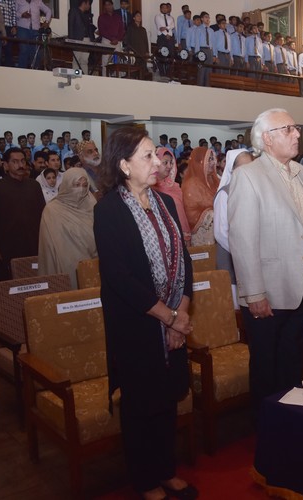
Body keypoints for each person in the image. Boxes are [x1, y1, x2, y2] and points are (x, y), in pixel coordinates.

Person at [93, 127, 196, 500]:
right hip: (136, 325)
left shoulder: (165, 202)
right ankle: (145, 480)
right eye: (148, 156)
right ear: (124, 165)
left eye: (157, 155)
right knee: (141, 406)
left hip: (172, 323)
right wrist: (168, 317)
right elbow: (119, 277)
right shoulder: (109, 210)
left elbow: (184, 263)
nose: (158, 163)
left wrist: (180, 315)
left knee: (167, 401)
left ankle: (166, 470)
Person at [228, 108, 303, 407]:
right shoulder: (248, 176)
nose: (297, 134)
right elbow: (243, 240)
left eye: (295, 128)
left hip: (299, 287)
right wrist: (254, 293)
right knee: (266, 368)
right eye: (288, 129)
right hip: (267, 293)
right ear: (267, 139)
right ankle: (265, 425)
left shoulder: (301, 173)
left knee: (292, 363)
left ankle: (290, 420)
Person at [0, 147, 45, 280]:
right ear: (6, 165)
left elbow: (43, 215)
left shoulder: (34, 185)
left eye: (23, 161)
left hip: (33, 244)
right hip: (7, 247)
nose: (20, 165)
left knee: (34, 281)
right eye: (15, 161)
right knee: (9, 285)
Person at [37, 167, 96, 288]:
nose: (81, 189)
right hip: (63, 268)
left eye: (85, 185)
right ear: (66, 185)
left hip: (92, 266)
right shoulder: (52, 210)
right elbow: (48, 249)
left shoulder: (92, 204)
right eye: (76, 185)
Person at [213, 148, 254, 307]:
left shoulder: (255, 189)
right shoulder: (225, 194)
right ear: (232, 169)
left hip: (253, 257)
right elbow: (220, 232)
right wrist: (242, 252)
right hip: (231, 256)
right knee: (236, 307)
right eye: (243, 167)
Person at [153, 147, 191, 244]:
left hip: (180, 236)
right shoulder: (149, 189)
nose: (169, 166)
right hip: (160, 238)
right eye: (165, 163)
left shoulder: (175, 187)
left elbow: (183, 214)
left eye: (171, 163)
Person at [181, 146, 218, 246]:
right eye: (208, 159)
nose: (213, 162)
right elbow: (190, 213)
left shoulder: (213, 180)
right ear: (199, 162)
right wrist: (213, 213)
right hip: (202, 235)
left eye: (212, 159)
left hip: (217, 231)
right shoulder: (191, 184)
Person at [15, 0, 52, 69]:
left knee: (35, 52)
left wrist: (46, 22)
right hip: (22, 29)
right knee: (24, 50)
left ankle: (35, 71)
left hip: (35, 30)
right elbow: (14, 13)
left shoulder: (38, 1)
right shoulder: (18, 1)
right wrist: (21, 15)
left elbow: (48, 11)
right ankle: (22, 71)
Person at [97, 0, 124, 76]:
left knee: (117, 61)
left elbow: (122, 30)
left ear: (112, 5)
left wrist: (117, 39)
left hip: (117, 42)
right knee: (105, 62)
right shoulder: (101, 17)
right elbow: (102, 31)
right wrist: (111, 39)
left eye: (109, 4)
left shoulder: (118, 17)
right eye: (106, 5)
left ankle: (116, 78)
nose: (108, 6)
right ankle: (105, 78)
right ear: (104, 7)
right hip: (106, 41)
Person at [67, 0, 95, 73]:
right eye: (88, 4)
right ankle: (76, 76)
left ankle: (84, 77)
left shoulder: (87, 14)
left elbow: (89, 28)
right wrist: (71, 41)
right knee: (76, 60)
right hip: (77, 39)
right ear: (84, 3)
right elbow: (70, 26)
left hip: (87, 39)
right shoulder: (74, 11)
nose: (89, 6)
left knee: (85, 61)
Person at [124, 11, 153, 80]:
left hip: (142, 52)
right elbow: (126, 40)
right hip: (134, 52)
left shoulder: (143, 29)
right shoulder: (130, 28)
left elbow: (146, 41)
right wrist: (129, 50)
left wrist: (147, 51)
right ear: (134, 18)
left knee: (143, 70)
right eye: (137, 16)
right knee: (134, 70)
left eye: (140, 16)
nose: (139, 17)